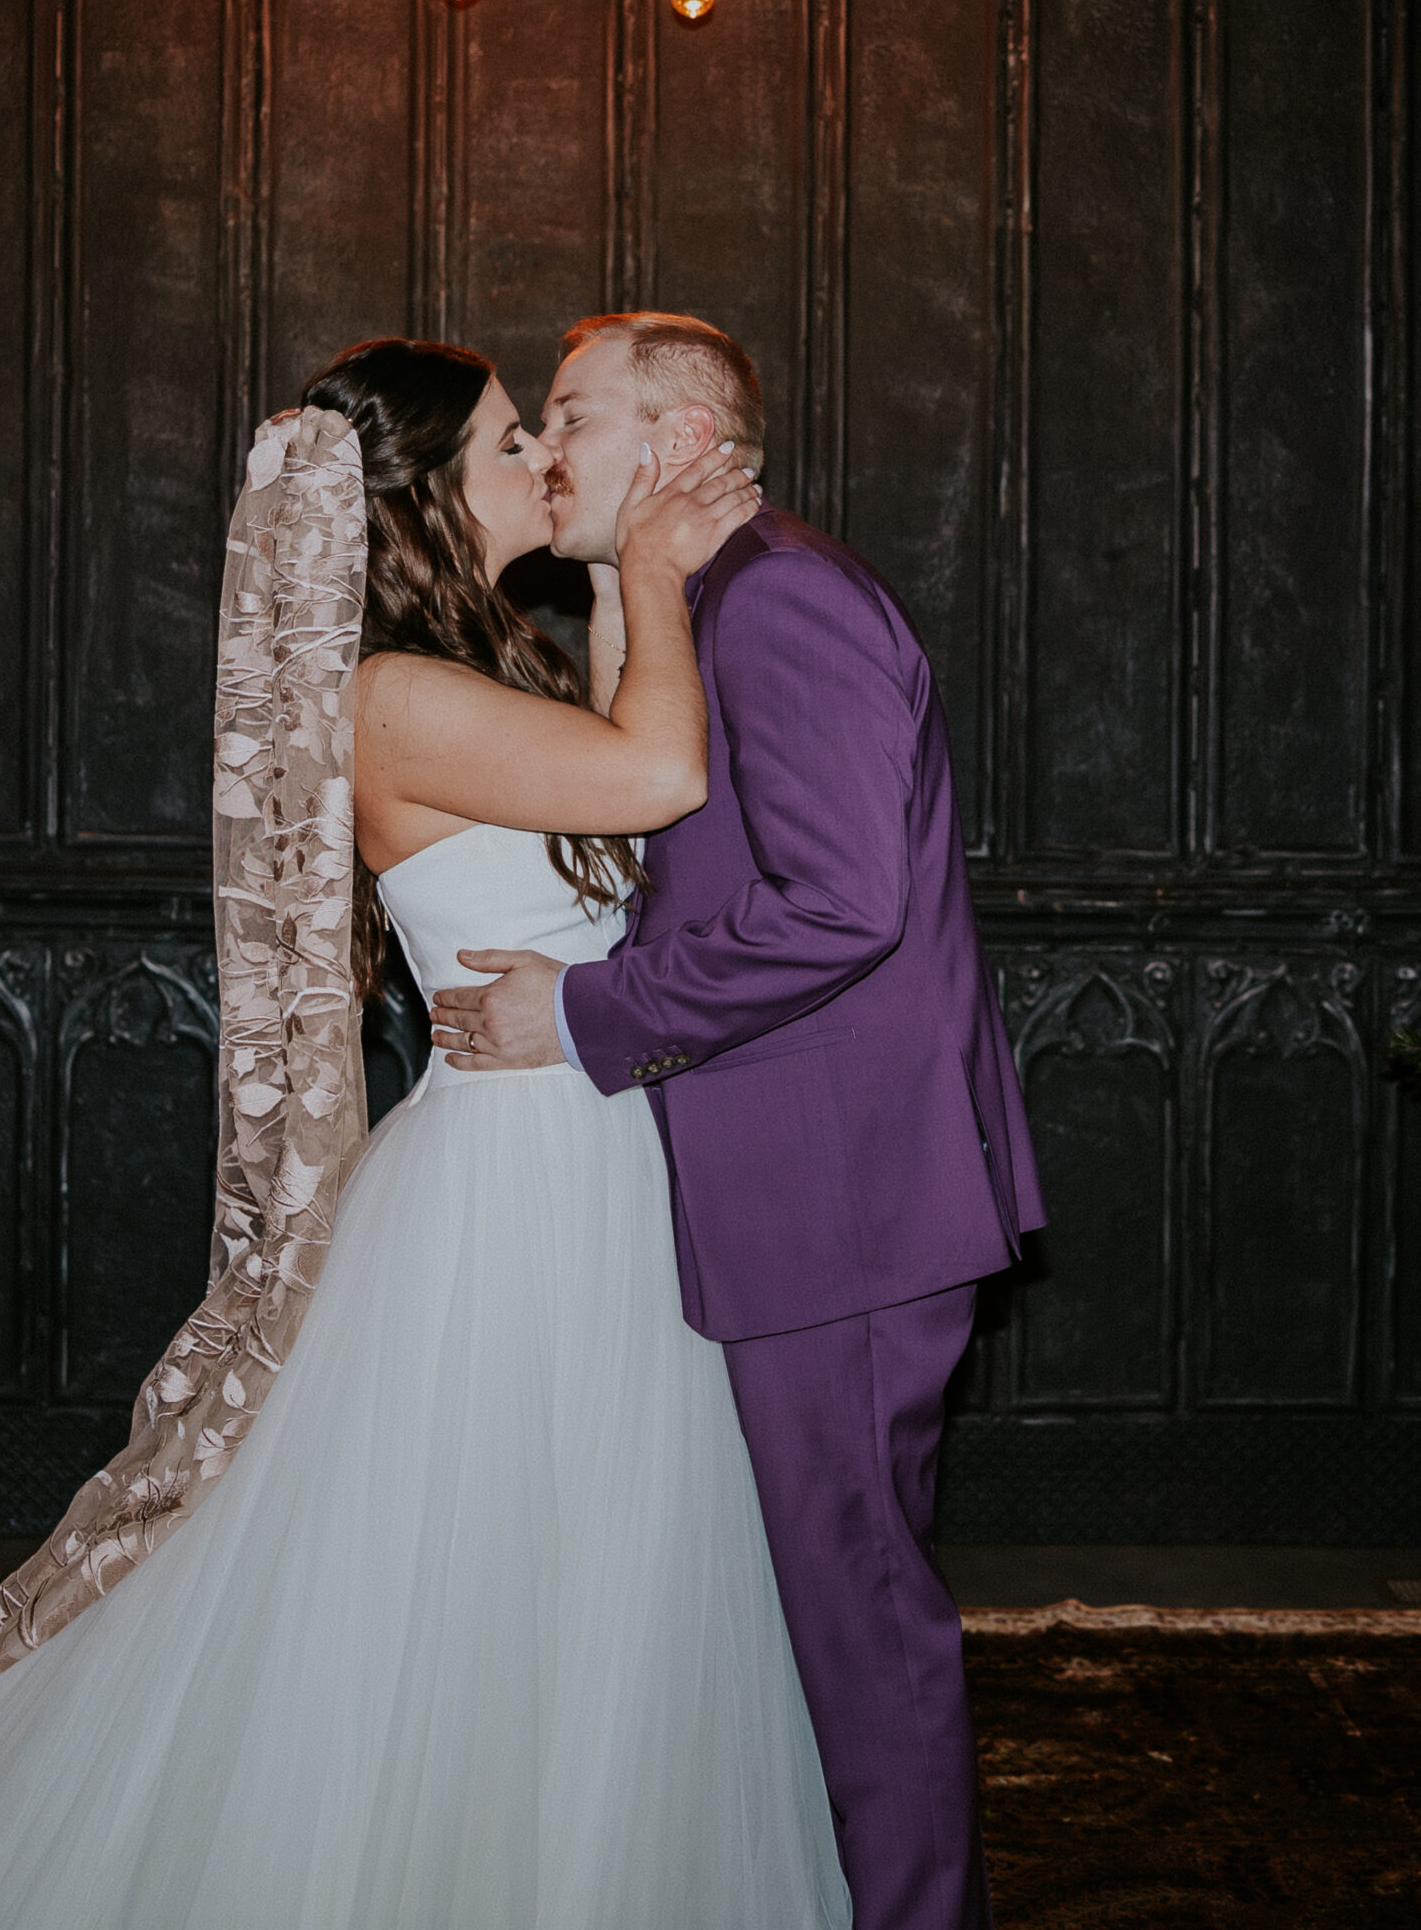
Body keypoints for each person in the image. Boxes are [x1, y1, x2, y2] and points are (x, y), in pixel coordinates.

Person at [0, 339, 850, 1930]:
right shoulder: (389, 694)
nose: (541, 461)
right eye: (515, 442)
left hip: (584, 1160)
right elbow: (657, 772)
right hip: (517, 1192)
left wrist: (611, 590)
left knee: (581, 1595)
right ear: (433, 494)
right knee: (479, 1588)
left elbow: (612, 793)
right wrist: (659, 563)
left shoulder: (482, 669)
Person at [432, 312, 1048, 1930]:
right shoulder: (697, 612)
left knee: (860, 1619)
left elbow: (841, 909)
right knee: (815, 1611)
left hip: (843, 1203)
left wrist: (577, 1016)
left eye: (575, 413)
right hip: (796, 1197)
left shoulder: (780, 604)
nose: (551, 449)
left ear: (684, 441)